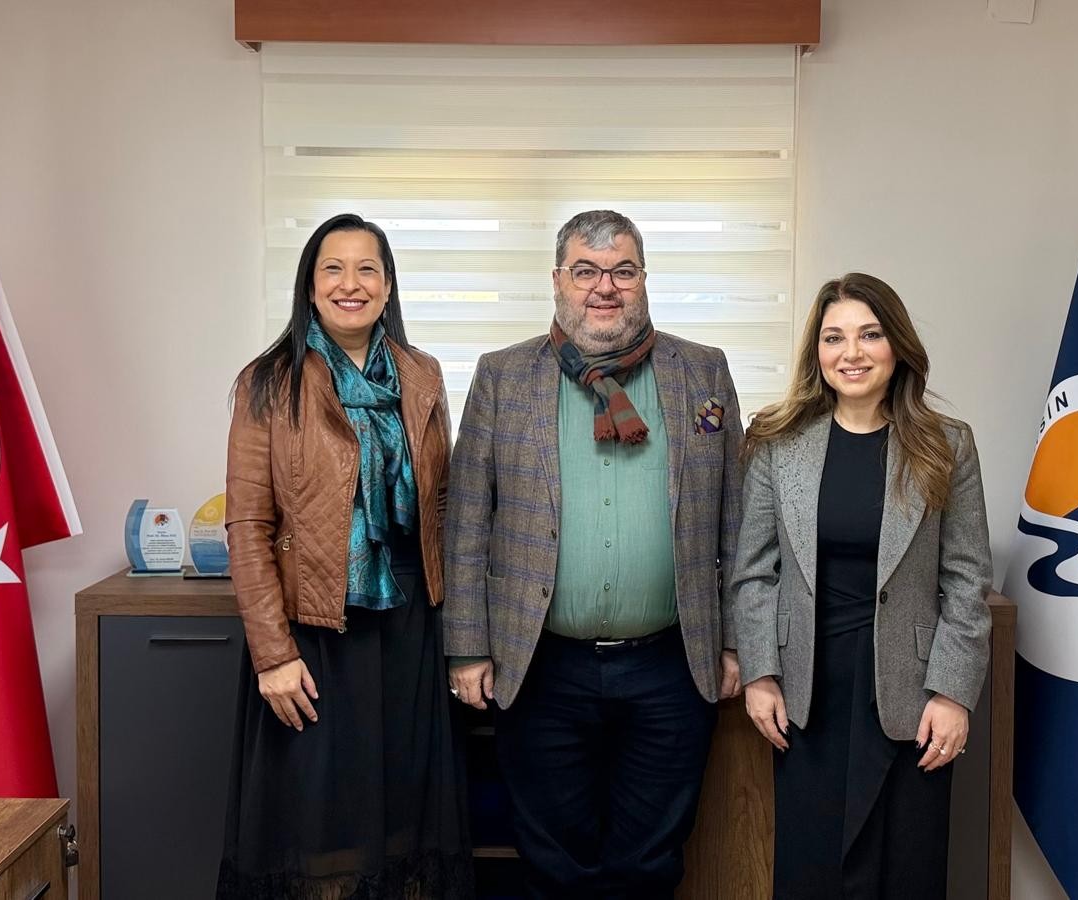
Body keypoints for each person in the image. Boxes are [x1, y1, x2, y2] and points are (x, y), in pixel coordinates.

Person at [443, 210, 744, 899]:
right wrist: (467, 649)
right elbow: (467, 523)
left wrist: (735, 643)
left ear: (643, 279)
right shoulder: (502, 376)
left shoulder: (702, 371)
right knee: (554, 864)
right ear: (558, 280)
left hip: (671, 666)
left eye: (622, 271)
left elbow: (734, 518)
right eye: (586, 271)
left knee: (651, 863)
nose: (604, 287)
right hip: (541, 666)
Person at [217, 213, 472, 899]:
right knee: (320, 836)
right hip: (314, 636)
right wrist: (273, 655)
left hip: (411, 631)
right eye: (333, 268)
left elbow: (443, 506)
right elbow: (248, 524)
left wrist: (462, 636)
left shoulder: (422, 375)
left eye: (367, 269)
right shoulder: (269, 382)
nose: (350, 284)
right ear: (310, 284)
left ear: (388, 287)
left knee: (404, 825)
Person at [729, 273, 993, 898]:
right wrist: (760, 673)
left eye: (870, 335)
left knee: (906, 871)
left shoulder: (947, 444)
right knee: (812, 872)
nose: (851, 353)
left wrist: (953, 693)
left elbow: (967, 579)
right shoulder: (776, 440)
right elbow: (753, 571)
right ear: (816, 352)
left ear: (896, 345)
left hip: (913, 696)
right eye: (834, 338)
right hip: (807, 693)